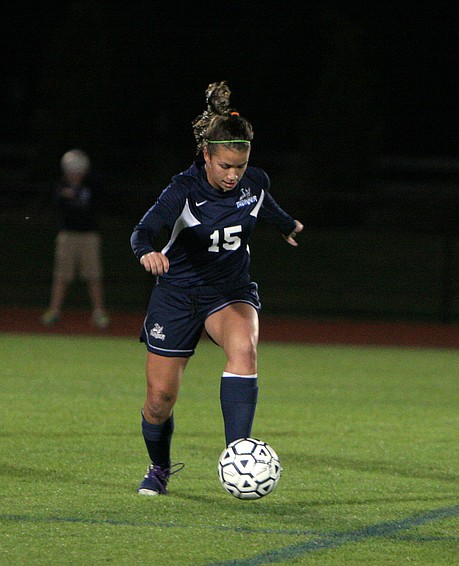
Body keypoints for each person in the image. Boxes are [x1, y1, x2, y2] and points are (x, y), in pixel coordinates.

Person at [130, 81, 304, 495]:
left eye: (239, 167)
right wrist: (146, 252)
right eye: (224, 166)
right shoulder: (183, 191)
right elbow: (143, 231)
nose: (232, 175)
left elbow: (269, 208)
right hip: (177, 294)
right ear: (206, 155)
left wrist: (288, 227)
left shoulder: (253, 183)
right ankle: (159, 467)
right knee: (159, 400)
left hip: (228, 291)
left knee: (244, 348)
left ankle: (237, 457)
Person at [42, 149, 110, 328]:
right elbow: (59, 204)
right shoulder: (60, 186)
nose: (74, 174)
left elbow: (96, 204)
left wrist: (77, 192)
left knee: (93, 275)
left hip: (89, 235)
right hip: (67, 235)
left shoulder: (92, 185)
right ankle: (54, 311)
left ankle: (98, 312)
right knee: (62, 274)